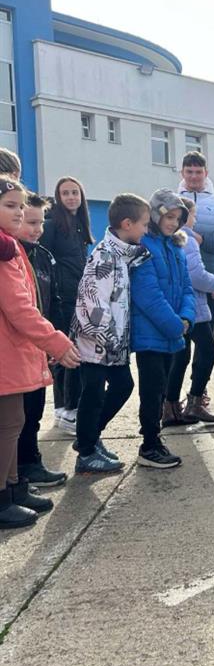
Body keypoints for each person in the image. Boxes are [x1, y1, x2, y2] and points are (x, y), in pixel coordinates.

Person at [0, 176, 80, 529]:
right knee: (7, 425)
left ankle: (15, 488)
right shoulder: (3, 251)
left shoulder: (11, 247)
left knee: (14, 422)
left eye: (21, 206)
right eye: (10, 206)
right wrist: (56, 342)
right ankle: (3, 497)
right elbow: (19, 309)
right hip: (6, 351)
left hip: (15, 350)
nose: (19, 213)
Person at [70, 194, 151, 475]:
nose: (146, 230)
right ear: (127, 224)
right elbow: (93, 303)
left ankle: (90, 438)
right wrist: (109, 338)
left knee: (122, 386)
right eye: (144, 224)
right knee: (93, 393)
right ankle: (86, 450)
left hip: (113, 344)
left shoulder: (121, 255)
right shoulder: (104, 256)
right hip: (97, 344)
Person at [130, 189, 195, 469]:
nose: (173, 222)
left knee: (162, 387)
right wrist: (174, 325)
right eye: (169, 216)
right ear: (156, 215)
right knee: (151, 390)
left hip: (172, 332)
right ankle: (149, 443)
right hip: (151, 334)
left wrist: (186, 318)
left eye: (178, 218)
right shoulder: (144, 246)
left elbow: (187, 288)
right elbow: (147, 294)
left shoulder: (175, 247)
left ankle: (155, 439)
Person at [16, 193, 68, 487]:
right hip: (22, 346)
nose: (37, 229)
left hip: (41, 344)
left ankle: (31, 462)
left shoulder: (43, 256)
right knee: (18, 415)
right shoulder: (12, 255)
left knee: (35, 409)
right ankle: (21, 469)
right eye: (30, 222)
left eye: (40, 223)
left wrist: (55, 338)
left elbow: (54, 301)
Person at [41, 176, 94, 434]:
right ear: (58, 197)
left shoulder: (79, 226)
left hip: (78, 297)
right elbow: (43, 262)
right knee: (63, 353)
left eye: (75, 192)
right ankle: (63, 409)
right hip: (62, 300)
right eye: (66, 193)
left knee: (75, 353)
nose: (71, 197)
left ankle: (69, 408)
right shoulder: (51, 225)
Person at [164, 198, 214, 425]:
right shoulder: (187, 239)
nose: (195, 219)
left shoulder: (174, 238)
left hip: (179, 306)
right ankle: (193, 402)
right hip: (193, 308)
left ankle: (170, 407)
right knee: (207, 351)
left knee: (181, 355)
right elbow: (196, 274)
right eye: (194, 215)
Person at [176, 152, 214, 336]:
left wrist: (202, 239)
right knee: (180, 345)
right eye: (189, 171)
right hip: (179, 280)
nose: (194, 176)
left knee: (207, 346)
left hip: (212, 278)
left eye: (198, 171)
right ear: (182, 173)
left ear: (206, 173)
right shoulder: (171, 201)